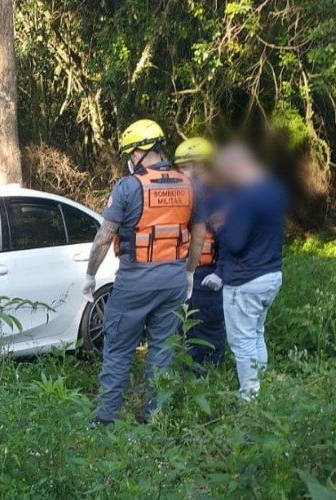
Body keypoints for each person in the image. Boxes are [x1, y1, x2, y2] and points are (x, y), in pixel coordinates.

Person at [82, 119, 207, 424]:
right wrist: (189, 272)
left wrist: (90, 275)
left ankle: (105, 418)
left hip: (135, 282)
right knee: (162, 351)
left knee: (118, 348)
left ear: (140, 151)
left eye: (129, 153)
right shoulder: (190, 186)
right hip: (174, 281)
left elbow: (104, 237)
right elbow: (200, 236)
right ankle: (156, 418)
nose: (128, 160)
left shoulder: (128, 187)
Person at [212, 144, 287, 401]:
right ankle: (262, 388)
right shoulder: (272, 191)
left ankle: (250, 400)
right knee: (256, 333)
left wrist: (219, 226)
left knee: (242, 343)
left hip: (245, 280)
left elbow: (235, 242)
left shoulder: (245, 197)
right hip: (271, 274)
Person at [174, 137, 227, 367]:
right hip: (187, 272)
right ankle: (190, 375)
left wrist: (222, 273)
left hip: (208, 274)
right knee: (185, 327)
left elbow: (229, 239)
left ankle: (207, 377)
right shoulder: (189, 195)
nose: (181, 172)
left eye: (185, 166)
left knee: (208, 329)